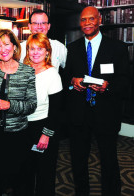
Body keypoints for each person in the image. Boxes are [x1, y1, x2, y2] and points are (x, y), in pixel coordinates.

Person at [62, 6, 130, 196]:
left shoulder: (117, 48)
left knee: (109, 160)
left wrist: (107, 86)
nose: (87, 23)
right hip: (78, 114)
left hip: (106, 114)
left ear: (100, 20)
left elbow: (125, 82)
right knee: (78, 161)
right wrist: (72, 82)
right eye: (83, 20)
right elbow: (65, 77)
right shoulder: (72, 49)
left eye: (91, 19)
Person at [0, 29, 37, 196]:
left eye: (6, 44)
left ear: (14, 46)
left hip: (17, 137)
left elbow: (31, 105)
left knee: (19, 183)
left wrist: (10, 105)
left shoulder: (27, 71)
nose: (3, 49)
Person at [23, 33, 63, 196]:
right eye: (32, 48)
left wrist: (45, 135)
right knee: (25, 173)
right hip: (23, 127)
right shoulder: (23, 70)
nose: (35, 52)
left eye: (40, 48)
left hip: (43, 127)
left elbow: (56, 110)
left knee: (44, 174)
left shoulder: (52, 73)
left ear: (47, 52)